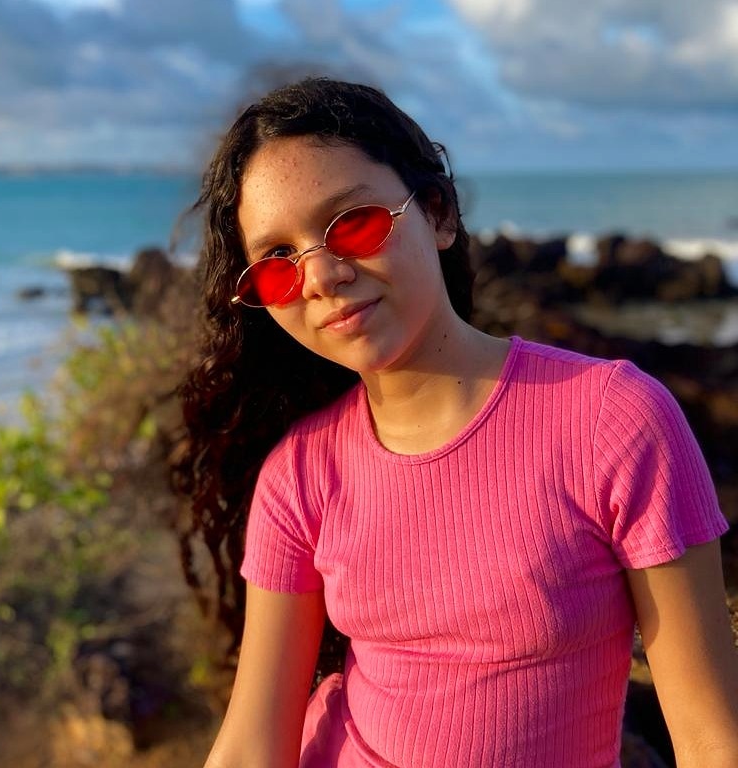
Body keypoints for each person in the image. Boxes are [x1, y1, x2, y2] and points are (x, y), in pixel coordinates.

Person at [179, 77, 738, 767]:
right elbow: (251, 745)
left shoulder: (611, 421)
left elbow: (712, 739)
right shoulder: (300, 475)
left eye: (353, 223)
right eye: (276, 263)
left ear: (438, 214)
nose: (320, 277)